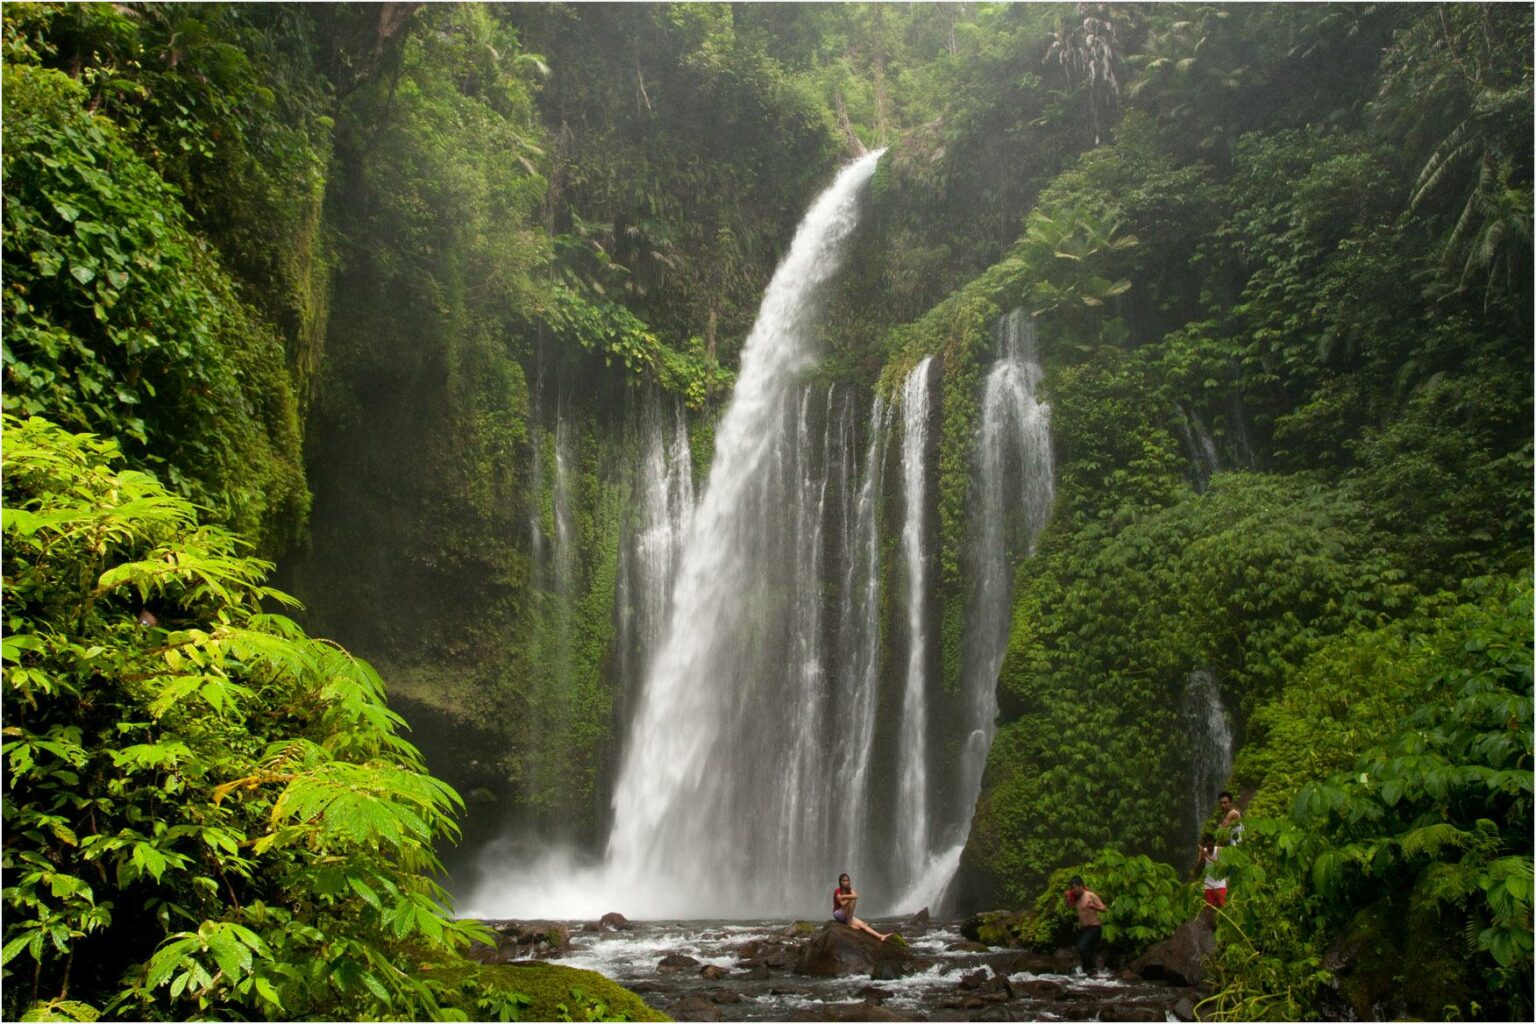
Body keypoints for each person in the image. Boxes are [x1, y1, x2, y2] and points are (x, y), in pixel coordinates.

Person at [1064, 875, 1106, 974]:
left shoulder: (1090, 895)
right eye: (1072, 888)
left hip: (1094, 927)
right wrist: (1066, 897)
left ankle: (1093, 970)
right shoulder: (1076, 898)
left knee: (1082, 947)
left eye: (1074, 888)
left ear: (1081, 886)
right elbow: (1068, 906)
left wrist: (1094, 907)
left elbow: (1104, 908)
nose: (1073, 890)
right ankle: (1088, 972)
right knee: (1085, 950)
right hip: (1084, 929)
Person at [832, 873, 891, 941]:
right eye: (843, 881)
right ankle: (849, 922)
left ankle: (880, 936)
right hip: (838, 914)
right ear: (840, 882)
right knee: (853, 900)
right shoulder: (837, 891)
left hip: (846, 915)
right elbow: (843, 903)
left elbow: (856, 895)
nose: (846, 882)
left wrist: (844, 896)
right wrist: (850, 897)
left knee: (863, 924)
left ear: (849, 881)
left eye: (847, 880)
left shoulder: (849, 889)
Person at [1197, 833, 1227, 909]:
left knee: (1222, 904)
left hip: (1220, 884)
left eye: (1211, 845)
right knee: (1210, 907)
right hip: (1208, 884)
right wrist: (1202, 856)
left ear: (1214, 844)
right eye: (1208, 846)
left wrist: (1208, 856)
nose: (1210, 848)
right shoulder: (1203, 851)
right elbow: (1200, 865)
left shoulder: (1219, 850)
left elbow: (1221, 863)